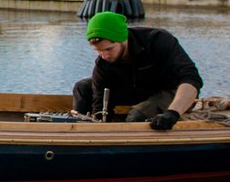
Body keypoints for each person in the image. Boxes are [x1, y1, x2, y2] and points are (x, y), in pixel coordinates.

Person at [71, 11, 202, 131]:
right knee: (82, 87)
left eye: (108, 49)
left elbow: (191, 78)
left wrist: (173, 112)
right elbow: (99, 104)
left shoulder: (158, 40)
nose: (104, 55)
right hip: (134, 89)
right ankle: (76, 129)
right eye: (98, 51)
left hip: (169, 91)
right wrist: (99, 126)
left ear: (123, 39)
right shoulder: (103, 63)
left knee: (136, 116)